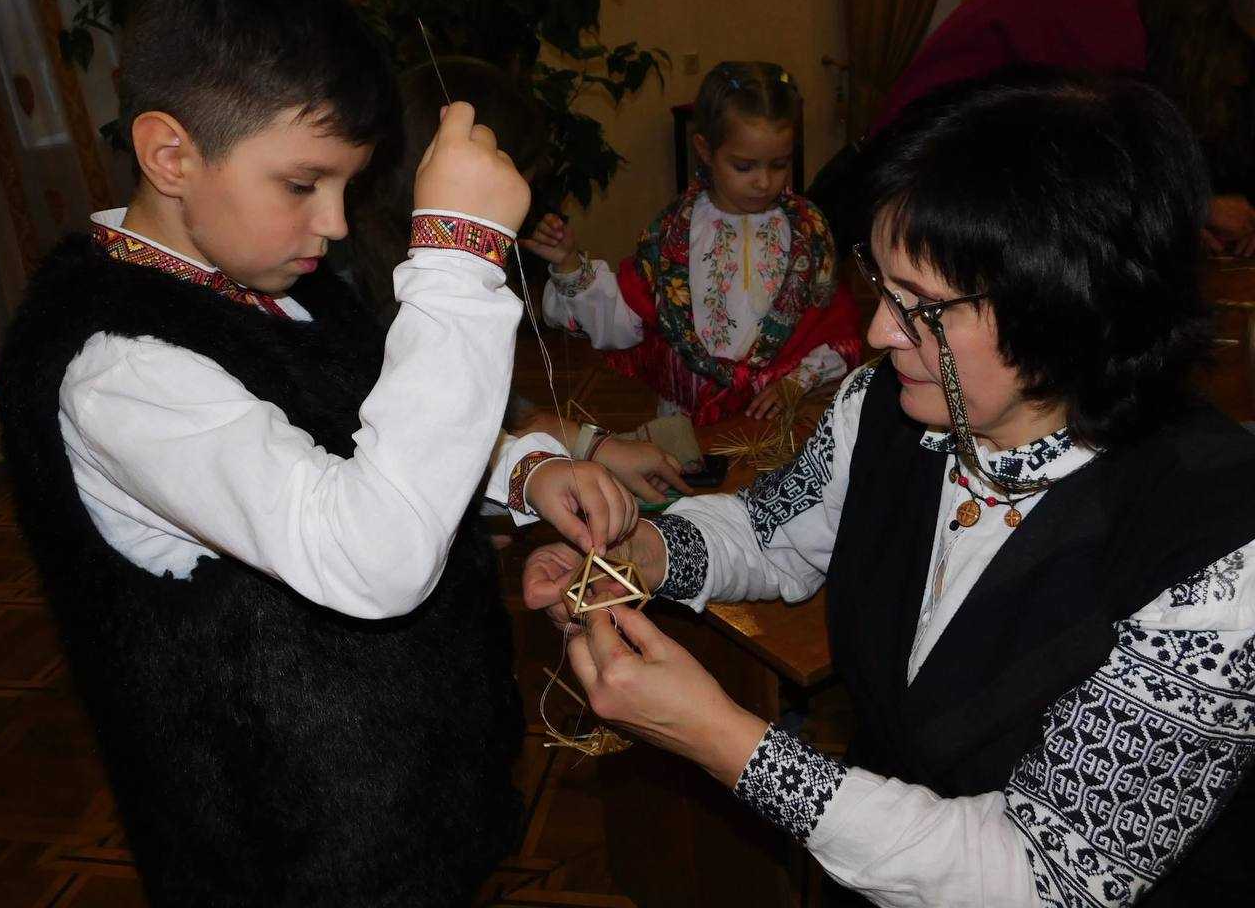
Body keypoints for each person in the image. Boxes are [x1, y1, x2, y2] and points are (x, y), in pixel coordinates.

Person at [0, 0, 637, 906]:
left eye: (347, 186)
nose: (334, 223)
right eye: (303, 184)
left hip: (408, 798)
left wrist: (518, 471)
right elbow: (372, 555)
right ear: (170, 155)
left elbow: (354, 433)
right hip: (295, 848)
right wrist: (458, 257)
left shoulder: (266, 282)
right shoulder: (122, 374)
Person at [525, 69, 1255, 906]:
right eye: (881, 285)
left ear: (1068, 314)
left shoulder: (1215, 547)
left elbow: (1047, 875)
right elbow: (773, 529)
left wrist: (728, 742)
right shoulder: (887, 406)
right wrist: (642, 550)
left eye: (923, 307)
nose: (878, 330)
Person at [336, 55, 695, 503]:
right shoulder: (357, 291)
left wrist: (591, 446)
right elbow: (433, 443)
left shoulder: (404, 255)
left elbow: (490, 414)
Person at [814, 0, 1255, 257]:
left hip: (933, 198)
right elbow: (1108, 176)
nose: (1236, 73)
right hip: (894, 210)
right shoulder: (1103, 10)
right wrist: (1195, 209)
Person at [528, 62, 861, 426]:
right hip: (689, 422)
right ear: (704, 149)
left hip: (778, 418)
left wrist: (796, 382)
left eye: (779, 164)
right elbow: (624, 320)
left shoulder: (808, 232)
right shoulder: (673, 235)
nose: (764, 182)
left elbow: (836, 327)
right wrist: (568, 263)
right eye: (744, 167)